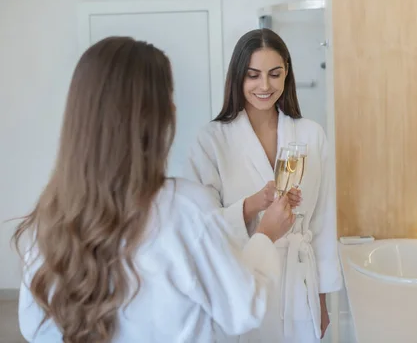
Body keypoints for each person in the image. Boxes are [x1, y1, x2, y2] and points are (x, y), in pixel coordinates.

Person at [12, 36, 295, 343]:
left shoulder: (46, 221)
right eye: (169, 96)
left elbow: (33, 328)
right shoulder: (185, 209)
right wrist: (265, 235)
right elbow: (244, 309)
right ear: (159, 116)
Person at [186, 29, 343, 342]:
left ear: (287, 73)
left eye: (275, 74)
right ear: (238, 77)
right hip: (244, 280)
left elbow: (324, 224)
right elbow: (200, 229)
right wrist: (252, 205)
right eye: (253, 75)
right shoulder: (212, 140)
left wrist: (323, 302)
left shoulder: (311, 135)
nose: (265, 86)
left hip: (300, 287)